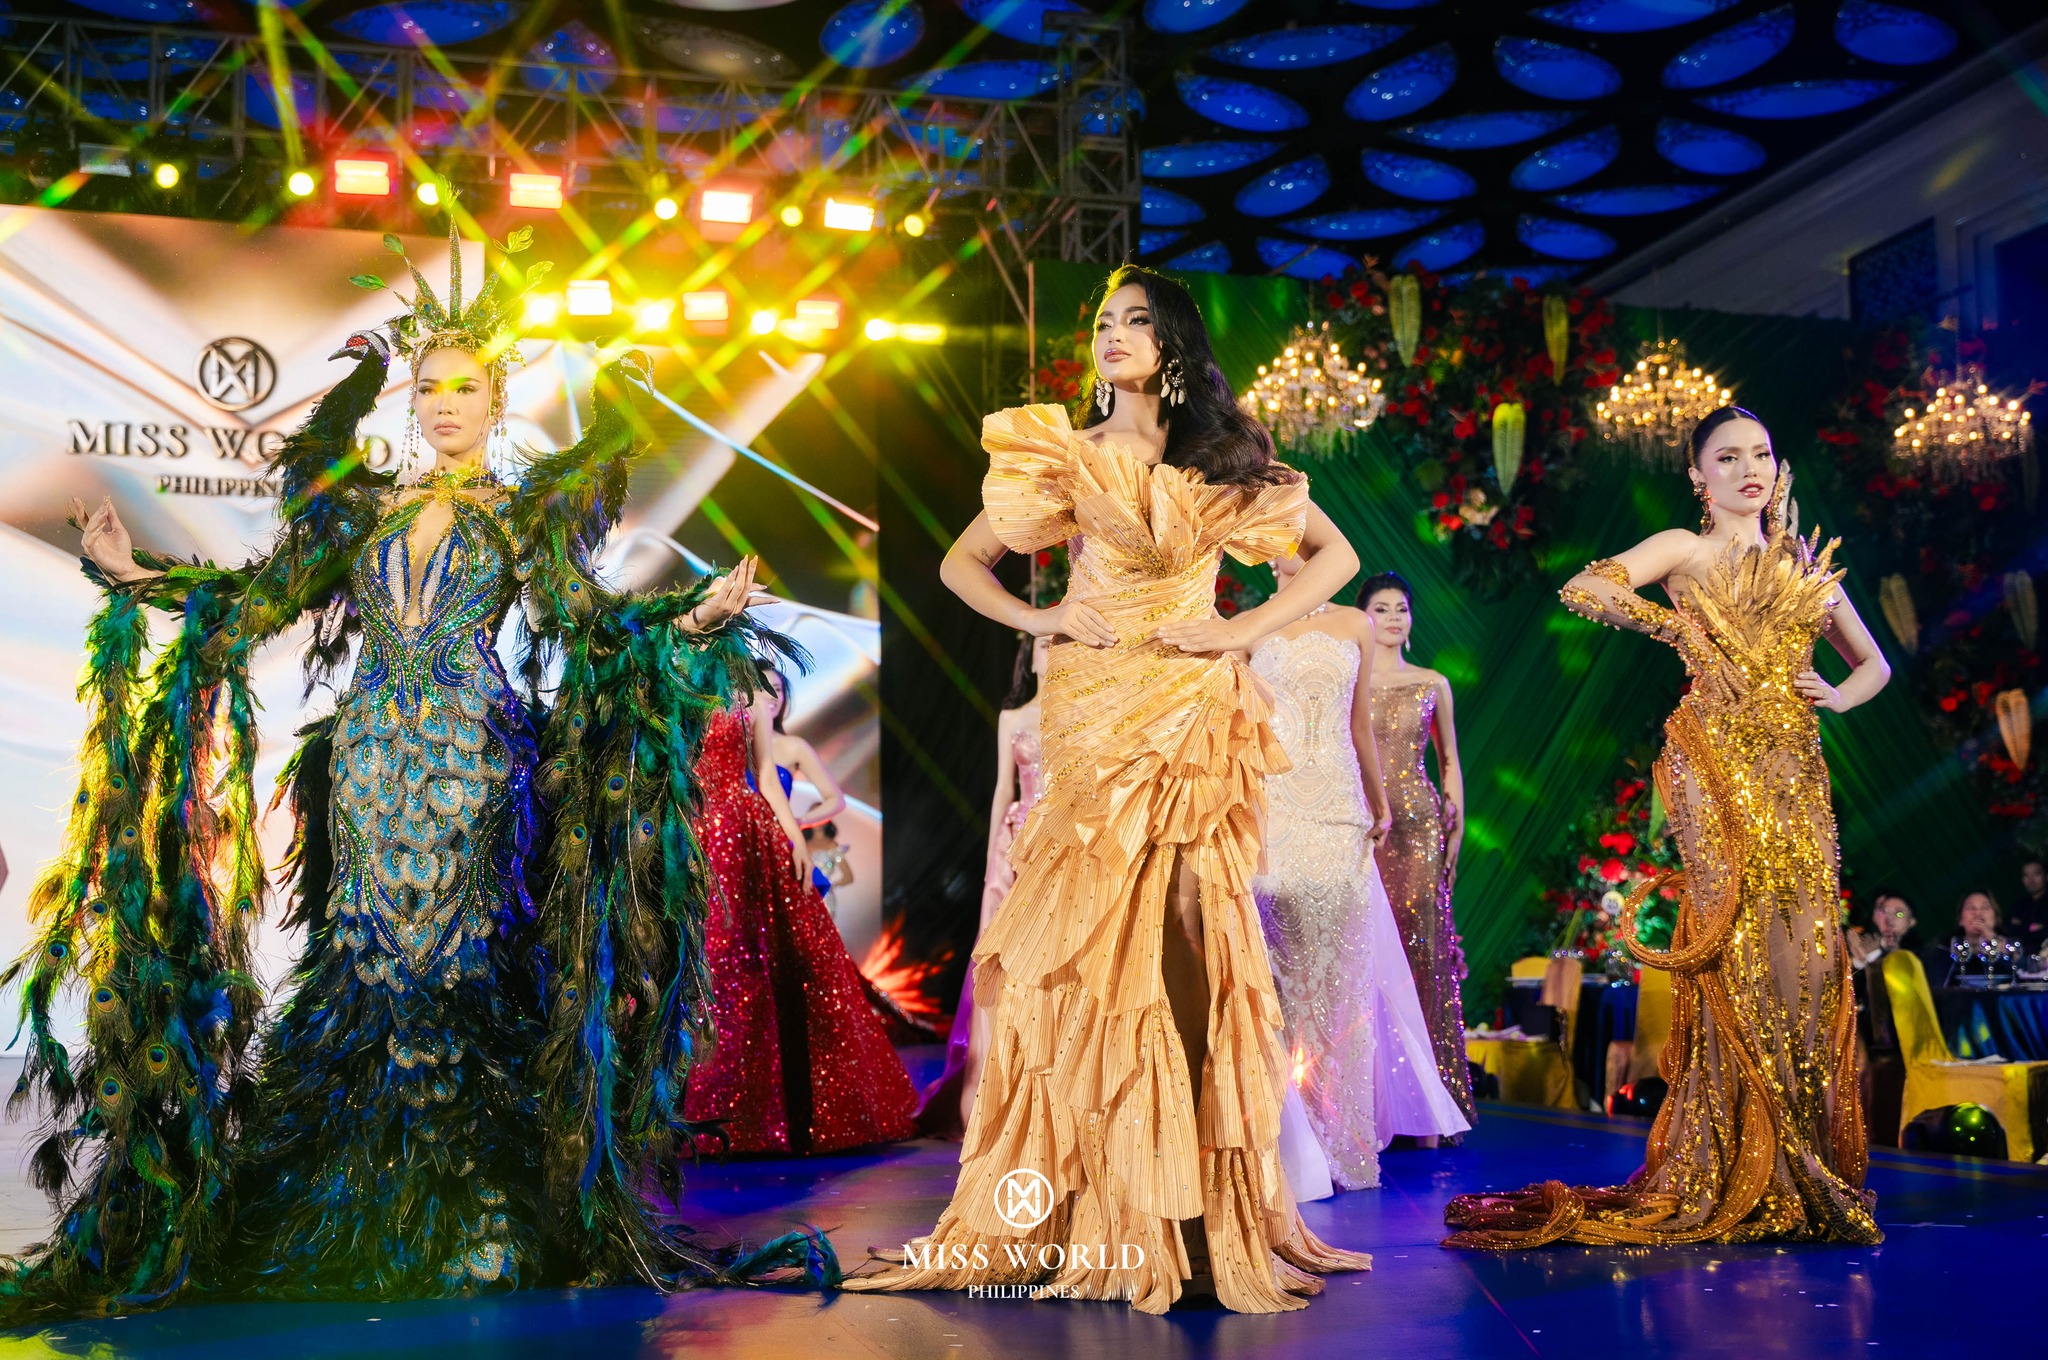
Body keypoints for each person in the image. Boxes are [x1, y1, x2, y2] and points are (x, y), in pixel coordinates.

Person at [2, 227, 824, 1319]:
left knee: (458, 961)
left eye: (463, 387)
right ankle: (351, 1200)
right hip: (368, 760)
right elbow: (255, 601)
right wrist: (130, 572)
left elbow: (590, 620)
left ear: (497, 400)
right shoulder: (362, 509)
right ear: (409, 401)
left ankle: (472, 1202)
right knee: (364, 961)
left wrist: (692, 616)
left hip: (474, 758)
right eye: (428, 387)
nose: (443, 404)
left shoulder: (525, 514)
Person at [846, 264, 1369, 1313]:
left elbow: (1335, 556)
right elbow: (960, 564)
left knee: (1189, 934)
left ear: (1173, 342)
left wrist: (1241, 630)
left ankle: (1186, 1210)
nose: (1110, 335)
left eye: (1134, 320)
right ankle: (1079, 1202)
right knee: (1092, 949)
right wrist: (1040, 618)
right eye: (1100, 323)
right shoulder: (1067, 453)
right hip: (1094, 710)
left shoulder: (1223, 460)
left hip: (1190, 705)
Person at [1445, 405, 1891, 1249]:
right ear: (1698, 476)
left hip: (1795, 771)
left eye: (1761, 454)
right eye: (1728, 458)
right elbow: (1586, 588)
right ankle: (1733, 1157)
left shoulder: (1801, 565)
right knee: (1738, 945)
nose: (1749, 469)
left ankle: (1792, 1157)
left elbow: (1875, 663)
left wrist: (1837, 696)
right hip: (1718, 765)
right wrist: (1678, 624)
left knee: (1804, 956)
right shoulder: (1685, 549)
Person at [1250, 551, 1471, 1192]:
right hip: (1275, 807)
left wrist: (1378, 802)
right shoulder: (1249, 626)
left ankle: (1340, 1139)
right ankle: (1281, 1140)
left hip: (1339, 807)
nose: (1294, 552)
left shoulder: (1354, 624)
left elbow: (1359, 728)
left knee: (1341, 975)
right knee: (1276, 973)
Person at [682, 682, 917, 1155]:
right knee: (713, 961)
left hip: (750, 832)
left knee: (764, 959)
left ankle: (767, 1116)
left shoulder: (747, 696)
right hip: (699, 830)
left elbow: (767, 778)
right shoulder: (679, 683)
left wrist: (795, 840)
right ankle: (706, 1111)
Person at [914, 634, 1048, 1137]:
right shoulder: (1013, 717)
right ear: (1028, 659)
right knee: (1001, 959)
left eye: (1059, 643)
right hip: (1017, 845)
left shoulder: (1081, 710)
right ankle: (992, 1090)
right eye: (1043, 644)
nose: (1051, 651)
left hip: (1063, 843)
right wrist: (995, 855)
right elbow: (1001, 789)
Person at [1357, 571, 1476, 1125]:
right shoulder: (1348, 679)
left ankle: (1432, 1108)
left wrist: (1457, 829)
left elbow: (1449, 761)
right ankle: (1372, 1103)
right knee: (1364, 949)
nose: (1392, 618)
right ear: (1362, 618)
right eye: (1380, 609)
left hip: (1421, 826)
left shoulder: (1432, 682)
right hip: (1363, 826)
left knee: (1421, 950)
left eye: (1400, 609)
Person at [1923, 890, 2018, 985]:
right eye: (1971, 908)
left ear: (1996, 918)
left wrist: (1995, 945)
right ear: (1960, 919)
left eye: (1985, 908)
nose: (1978, 914)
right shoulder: (1944, 948)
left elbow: (2020, 977)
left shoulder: (2010, 946)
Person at [2006, 860, 2048, 957]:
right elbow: (2009, 931)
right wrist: (2030, 927)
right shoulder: (2018, 905)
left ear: (2046, 876)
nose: (2031, 880)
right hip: (2020, 957)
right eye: (2026, 875)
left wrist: (2022, 926)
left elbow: (2044, 933)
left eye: (2036, 874)